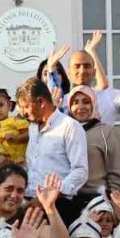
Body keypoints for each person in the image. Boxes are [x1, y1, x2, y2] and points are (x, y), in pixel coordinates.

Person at [16, 78, 87, 223]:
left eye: (26, 107)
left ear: (41, 102)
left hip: (58, 207)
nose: (23, 113)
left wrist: (49, 195)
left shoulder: (69, 126)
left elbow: (80, 172)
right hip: (29, 205)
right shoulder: (33, 127)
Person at [68, 86, 120, 201]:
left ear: (94, 105)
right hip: (67, 204)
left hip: (98, 204)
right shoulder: (63, 132)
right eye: (75, 103)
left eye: (86, 102)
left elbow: (118, 176)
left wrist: (118, 210)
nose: (80, 107)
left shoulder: (106, 133)